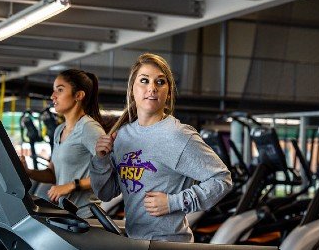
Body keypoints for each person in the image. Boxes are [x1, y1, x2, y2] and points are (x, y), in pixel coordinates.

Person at [90, 53, 233, 242]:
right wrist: (100, 160)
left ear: (169, 92)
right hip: (136, 241)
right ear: (132, 88)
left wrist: (173, 203)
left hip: (169, 244)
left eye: (160, 82)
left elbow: (222, 179)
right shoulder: (123, 136)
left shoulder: (178, 135)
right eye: (144, 80)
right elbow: (106, 193)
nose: (152, 88)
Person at [21, 69, 105, 218]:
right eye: (54, 90)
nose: (53, 96)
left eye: (60, 90)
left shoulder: (89, 129)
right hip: (67, 214)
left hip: (86, 216)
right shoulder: (59, 130)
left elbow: (108, 176)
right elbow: (53, 175)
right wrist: (28, 172)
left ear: (78, 95)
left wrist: (72, 185)